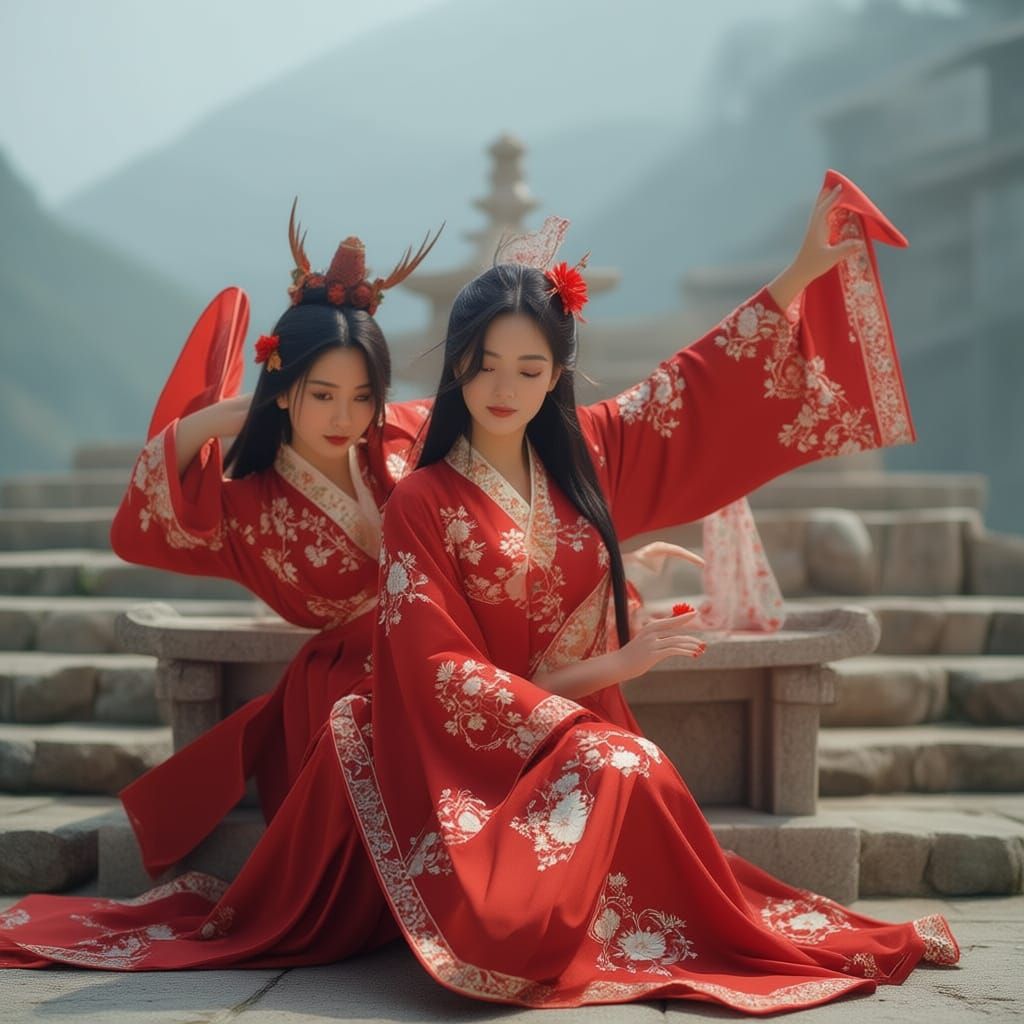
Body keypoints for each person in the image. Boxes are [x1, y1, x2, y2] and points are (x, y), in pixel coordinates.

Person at [325, 172, 959, 1013]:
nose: (506, 388)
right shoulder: (423, 499)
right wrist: (614, 661)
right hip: (470, 768)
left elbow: (693, 393)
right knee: (619, 771)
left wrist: (800, 276)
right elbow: (438, 672)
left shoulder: (584, 454)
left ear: (557, 373)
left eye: (530, 366)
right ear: (457, 369)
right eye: (485, 367)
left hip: (572, 730)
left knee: (634, 768)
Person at [110, 205, 440, 878]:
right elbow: (140, 531)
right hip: (343, 687)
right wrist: (211, 421)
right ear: (284, 389)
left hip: (437, 646)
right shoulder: (246, 510)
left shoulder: (407, 437)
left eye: (361, 396)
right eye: (321, 394)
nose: (344, 418)